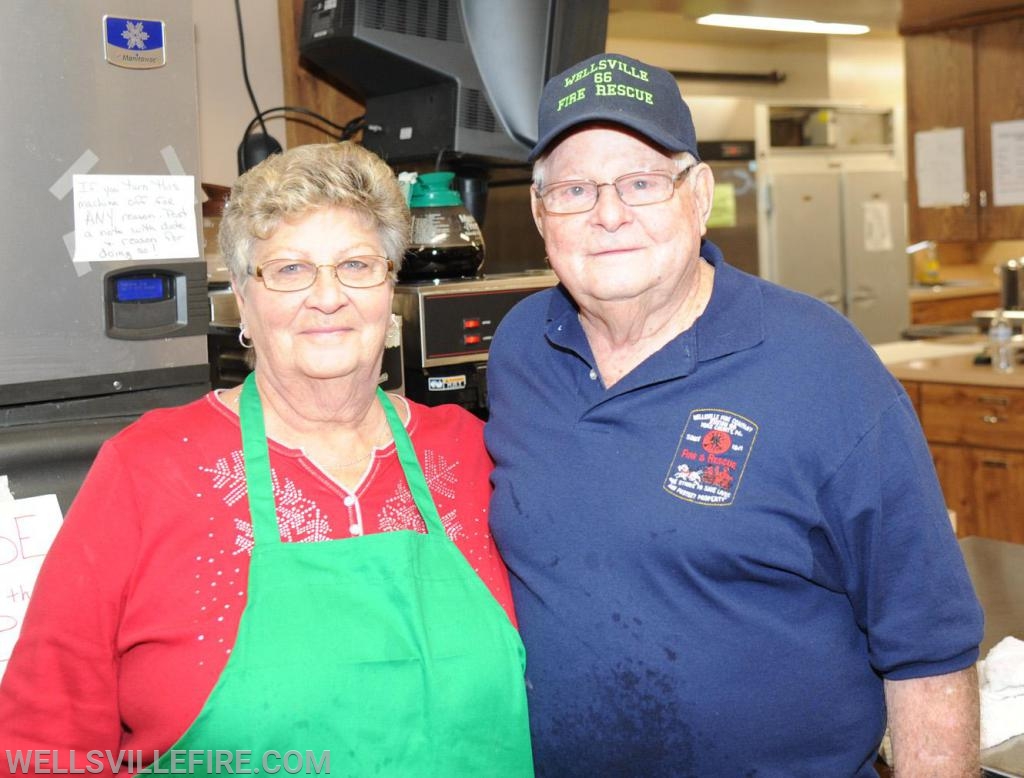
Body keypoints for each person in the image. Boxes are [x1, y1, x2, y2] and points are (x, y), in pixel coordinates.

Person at [484, 53, 983, 777]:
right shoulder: (522, 348)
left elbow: (928, 645)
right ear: (538, 212)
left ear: (699, 193)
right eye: (573, 189)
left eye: (643, 182)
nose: (610, 214)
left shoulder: (821, 364)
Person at [0, 142, 533, 777]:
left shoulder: (472, 452)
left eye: (357, 264)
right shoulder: (147, 468)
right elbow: (44, 734)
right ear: (243, 305)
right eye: (288, 270)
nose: (328, 296)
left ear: (390, 287)